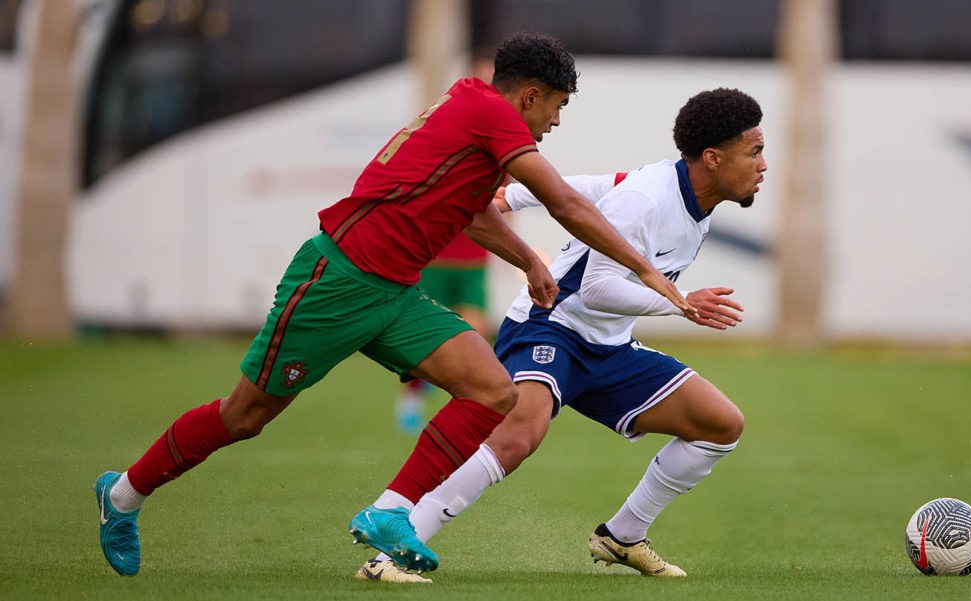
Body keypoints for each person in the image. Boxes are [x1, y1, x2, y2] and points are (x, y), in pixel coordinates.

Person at [93, 31, 694, 577]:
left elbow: (477, 213)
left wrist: (532, 262)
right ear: (531, 96)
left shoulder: (473, 110)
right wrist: (647, 271)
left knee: (494, 390)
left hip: (394, 291)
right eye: (558, 107)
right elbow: (564, 202)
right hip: (335, 282)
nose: (557, 122)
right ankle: (123, 495)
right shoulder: (488, 113)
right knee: (244, 417)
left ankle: (390, 511)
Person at [355, 88, 766, 583]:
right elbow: (593, 290)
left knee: (720, 424)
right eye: (755, 152)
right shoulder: (649, 198)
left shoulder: (677, 193)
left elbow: (592, 186)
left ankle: (623, 535)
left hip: (608, 346)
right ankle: (389, 553)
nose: (763, 165)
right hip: (550, 325)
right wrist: (679, 303)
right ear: (713, 158)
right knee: (520, 434)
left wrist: (515, 194)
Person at [394, 50, 499, 434]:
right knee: (426, 338)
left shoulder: (506, 137)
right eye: (484, 79)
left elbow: (506, 198)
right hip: (436, 254)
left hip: (474, 259)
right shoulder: (453, 127)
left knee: (474, 331)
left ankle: (465, 403)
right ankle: (411, 398)